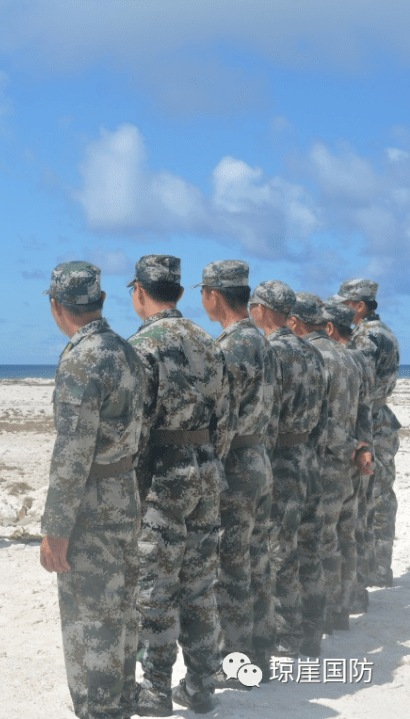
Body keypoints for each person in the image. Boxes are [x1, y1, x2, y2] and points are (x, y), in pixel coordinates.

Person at [38, 262, 146, 719]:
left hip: (93, 503)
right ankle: (121, 699)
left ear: (57, 306)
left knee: (92, 619)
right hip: (125, 492)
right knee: (121, 611)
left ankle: (101, 710)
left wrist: (55, 528)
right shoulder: (126, 349)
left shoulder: (83, 358)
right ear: (100, 301)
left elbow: (73, 452)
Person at [127, 255, 227, 715]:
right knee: (200, 584)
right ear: (181, 293)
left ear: (139, 292)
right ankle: (203, 685)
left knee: (156, 587)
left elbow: (137, 427)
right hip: (207, 469)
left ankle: (155, 689)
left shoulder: (142, 347)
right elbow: (224, 417)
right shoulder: (209, 342)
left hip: (163, 475)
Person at [196, 261, 277, 685]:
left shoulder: (229, 347)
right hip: (259, 460)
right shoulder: (263, 342)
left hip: (235, 467)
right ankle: (261, 650)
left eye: (203, 293)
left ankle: (237, 659)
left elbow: (221, 420)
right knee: (257, 560)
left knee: (231, 568)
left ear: (214, 295)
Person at [248, 281, 325, 658]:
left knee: (279, 550)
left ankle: (288, 633)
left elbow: (266, 416)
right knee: (308, 547)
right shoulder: (312, 353)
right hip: (309, 457)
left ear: (262, 309)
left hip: (281, 460)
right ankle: (312, 630)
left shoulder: (271, 352)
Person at [287, 292, 346, 654]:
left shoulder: (298, 353)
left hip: (296, 459)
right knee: (318, 545)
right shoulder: (328, 356)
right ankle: (319, 625)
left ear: (294, 321)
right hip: (319, 457)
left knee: (287, 550)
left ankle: (293, 631)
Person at [336, 278, 401, 589]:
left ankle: (371, 570)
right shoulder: (384, 332)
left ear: (359, 306)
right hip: (382, 421)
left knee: (369, 498)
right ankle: (379, 569)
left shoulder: (367, 338)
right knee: (381, 495)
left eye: (344, 304)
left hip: (371, 424)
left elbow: (358, 385)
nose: (339, 311)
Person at [324, 300, 375, 615]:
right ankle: (352, 598)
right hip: (355, 458)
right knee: (350, 532)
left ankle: (333, 609)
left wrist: (351, 447)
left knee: (327, 537)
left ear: (328, 327)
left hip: (331, 457)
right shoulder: (358, 361)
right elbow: (366, 410)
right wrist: (364, 448)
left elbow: (319, 418)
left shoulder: (323, 359)